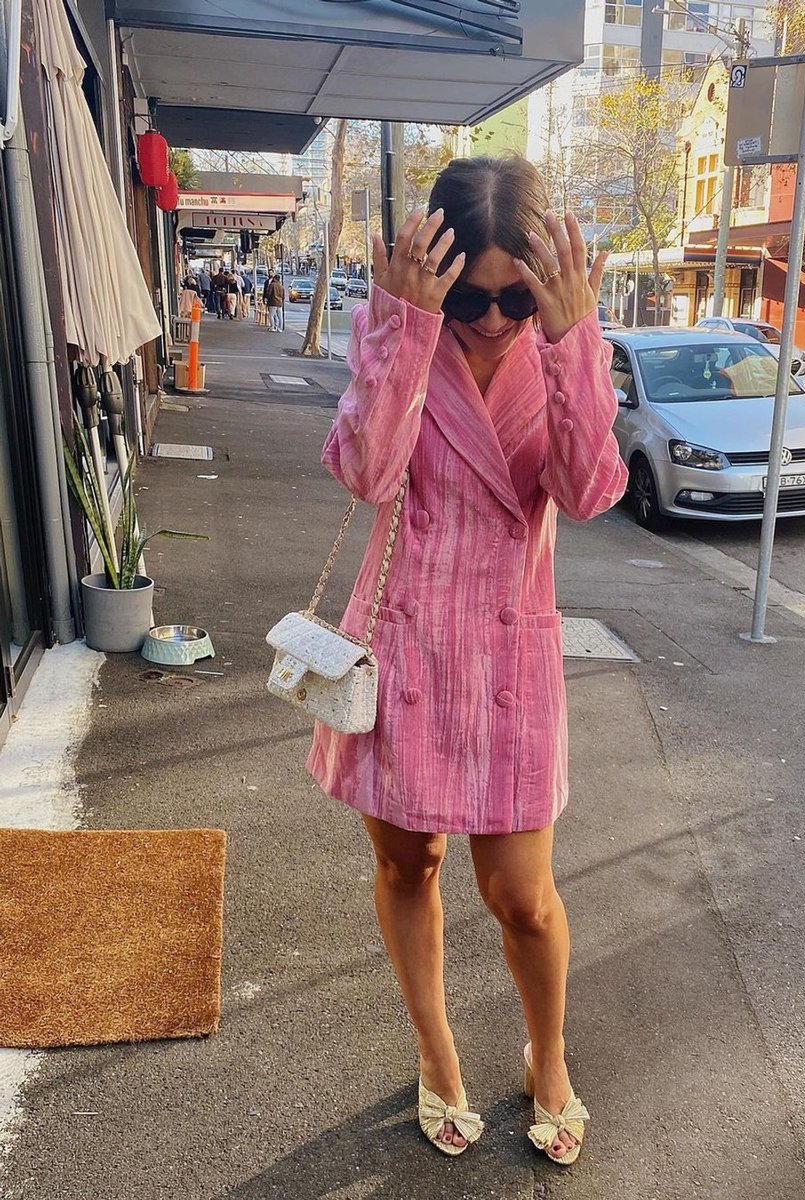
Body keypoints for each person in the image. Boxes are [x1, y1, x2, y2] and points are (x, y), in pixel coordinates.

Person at [306, 157, 627, 1165]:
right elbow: (366, 474)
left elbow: (586, 492)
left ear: (546, 284)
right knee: (410, 861)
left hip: (508, 655)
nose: (493, 320)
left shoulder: (565, 347)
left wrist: (571, 342)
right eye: (472, 297)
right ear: (435, 278)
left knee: (523, 896)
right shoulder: (397, 329)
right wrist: (405, 328)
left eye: (516, 296)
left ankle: (548, 1054)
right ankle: (438, 1055)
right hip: (400, 646)